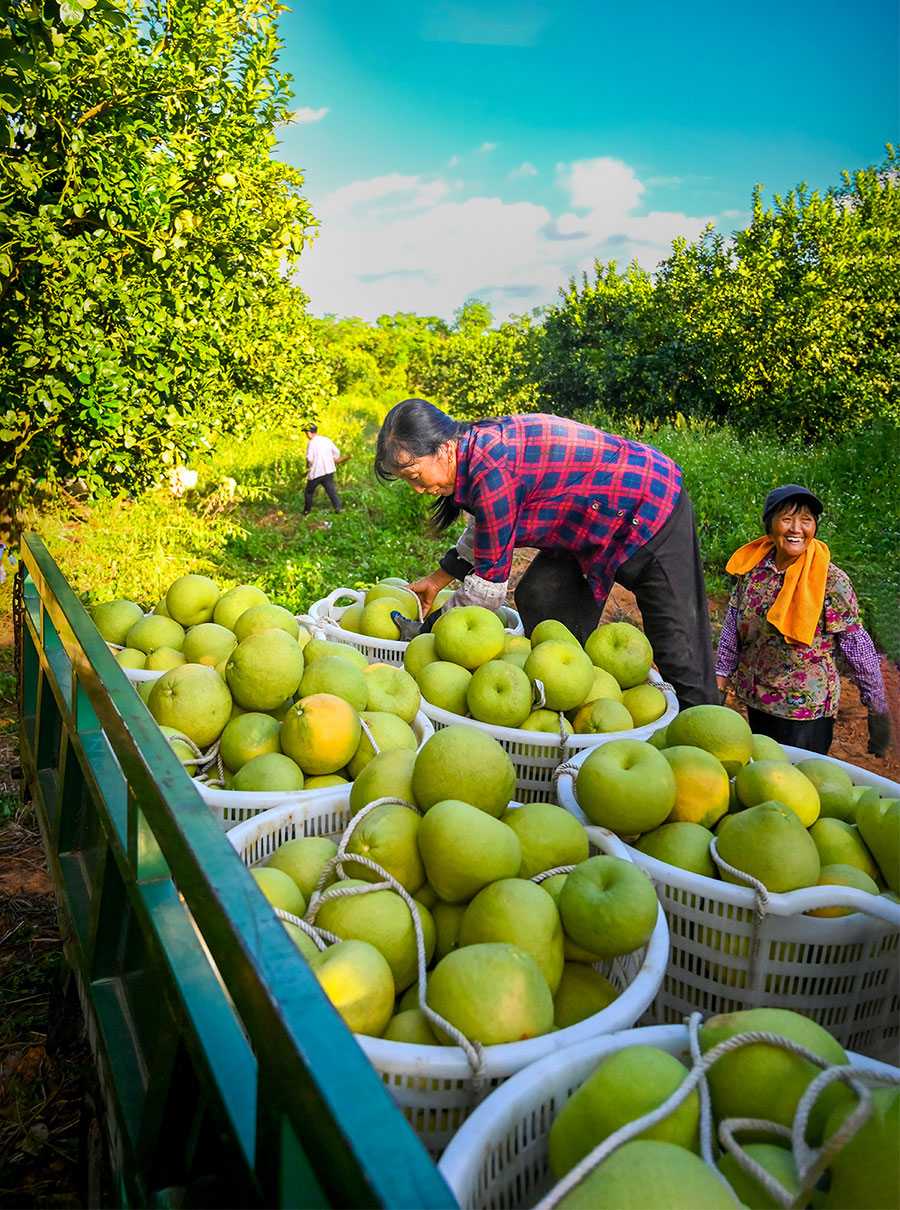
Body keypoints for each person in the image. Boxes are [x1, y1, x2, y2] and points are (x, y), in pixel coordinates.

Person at [373, 398, 719, 709]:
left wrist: (427, 633)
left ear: (445, 448)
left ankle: (706, 739)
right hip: (584, 521)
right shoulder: (474, 450)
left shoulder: (492, 469)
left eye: (415, 475)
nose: (418, 490)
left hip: (647, 505)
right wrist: (439, 579)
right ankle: (572, 691)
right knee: (541, 596)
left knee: (678, 648)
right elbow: (488, 528)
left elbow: (486, 591)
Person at [715, 484, 891, 756]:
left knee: (799, 785)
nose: (797, 528)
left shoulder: (830, 581)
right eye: (787, 519)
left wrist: (877, 708)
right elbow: (732, 629)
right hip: (758, 700)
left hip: (806, 712)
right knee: (763, 776)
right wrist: (720, 680)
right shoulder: (753, 570)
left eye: (806, 520)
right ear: (769, 525)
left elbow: (857, 646)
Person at [303, 424, 350, 515]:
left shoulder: (312, 443)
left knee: (309, 492)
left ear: (309, 433)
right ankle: (339, 510)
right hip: (328, 471)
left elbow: (309, 458)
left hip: (316, 472)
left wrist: (308, 467)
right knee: (331, 492)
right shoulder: (326, 440)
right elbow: (337, 453)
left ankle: (306, 512)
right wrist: (332, 460)